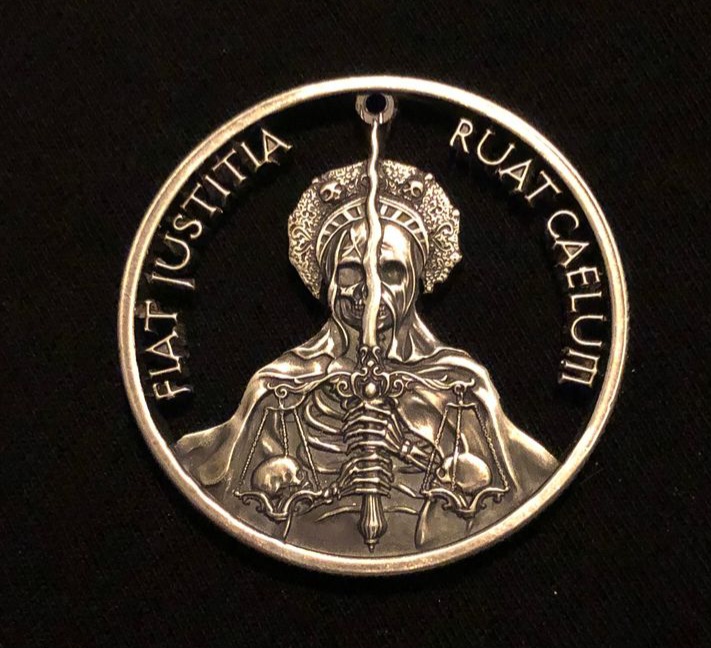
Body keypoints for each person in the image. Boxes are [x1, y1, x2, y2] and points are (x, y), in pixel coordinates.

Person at [174, 160, 558, 555]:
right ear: (326, 279)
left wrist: (408, 448)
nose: (369, 291)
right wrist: (332, 485)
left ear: (416, 279)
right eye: (350, 270)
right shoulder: (280, 386)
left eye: (390, 270)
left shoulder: (459, 384)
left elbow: (505, 493)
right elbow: (236, 495)